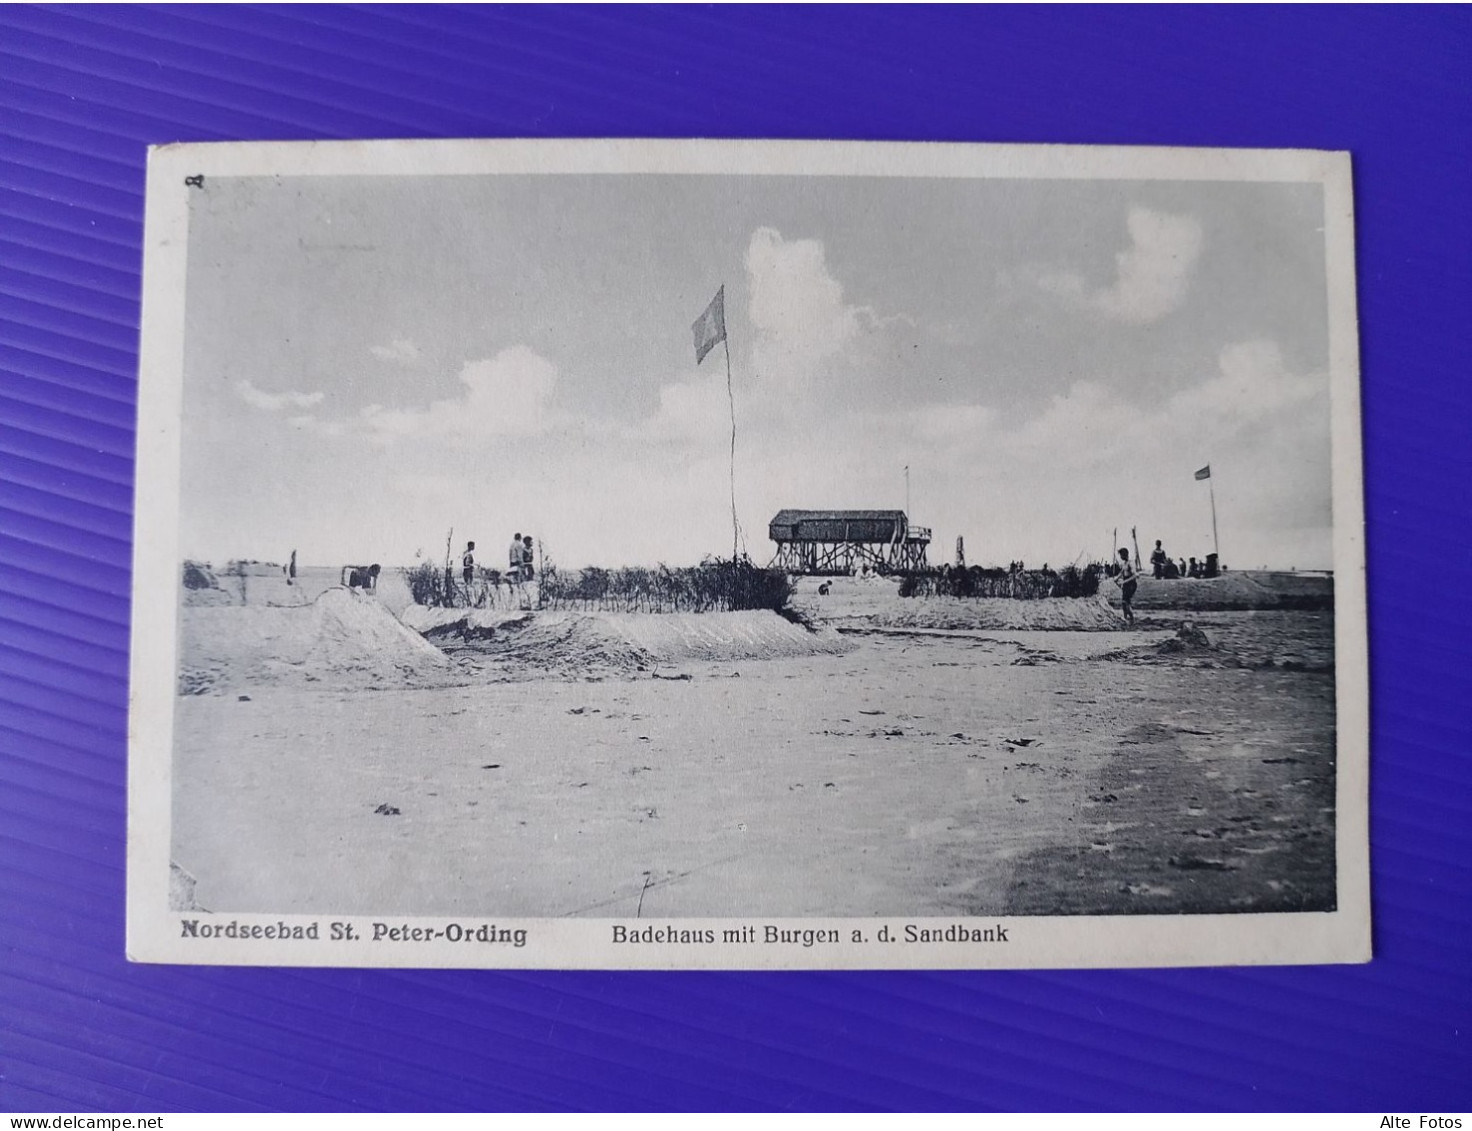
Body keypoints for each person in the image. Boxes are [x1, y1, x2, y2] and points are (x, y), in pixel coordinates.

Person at [1112, 547, 1138, 624]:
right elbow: (1122, 572)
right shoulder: (1124, 563)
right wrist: (1116, 578)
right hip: (1126, 584)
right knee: (1124, 602)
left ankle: (1132, 619)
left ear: (1125, 554)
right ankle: (1125, 618)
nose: (1120, 557)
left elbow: (1134, 575)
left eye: (1121, 555)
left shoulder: (1131, 563)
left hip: (1131, 584)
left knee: (1126, 602)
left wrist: (1124, 582)